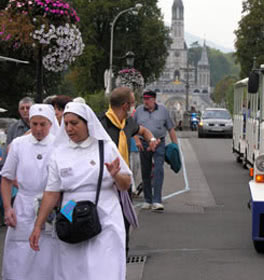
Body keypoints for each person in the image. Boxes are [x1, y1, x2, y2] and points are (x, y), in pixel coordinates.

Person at [29, 102, 132, 280]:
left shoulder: (105, 147)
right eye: (66, 123)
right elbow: (52, 193)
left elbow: (126, 184)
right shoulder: (59, 152)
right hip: (70, 208)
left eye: (74, 123)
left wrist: (115, 176)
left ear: (87, 123)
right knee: (70, 264)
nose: (69, 128)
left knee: (103, 266)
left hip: (104, 210)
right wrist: (38, 226)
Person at [1, 104, 58, 280]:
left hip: (50, 207)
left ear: (50, 124)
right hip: (23, 206)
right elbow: (6, 178)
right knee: (20, 255)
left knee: (47, 254)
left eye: (43, 124)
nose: (38, 129)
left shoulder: (59, 145)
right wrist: (8, 207)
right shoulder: (19, 144)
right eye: (34, 124)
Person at [99, 86, 158, 255]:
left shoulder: (127, 122)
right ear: (125, 106)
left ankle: (121, 260)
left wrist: (151, 139)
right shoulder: (102, 124)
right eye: (133, 103)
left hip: (123, 184)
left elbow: (143, 131)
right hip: (105, 185)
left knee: (123, 229)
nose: (135, 106)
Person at [133, 90, 178, 211]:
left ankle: (157, 200)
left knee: (158, 170)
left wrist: (175, 146)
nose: (145, 101)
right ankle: (148, 199)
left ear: (154, 99)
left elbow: (171, 128)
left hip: (159, 142)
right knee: (146, 171)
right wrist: (137, 140)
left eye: (148, 99)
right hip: (144, 143)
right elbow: (132, 128)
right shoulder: (138, 111)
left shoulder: (163, 110)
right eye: (144, 99)